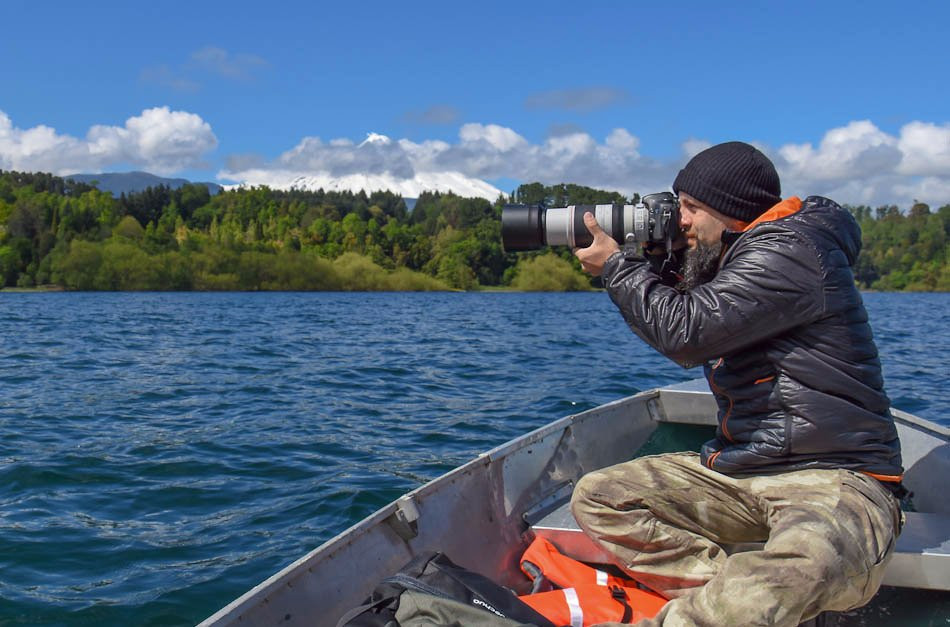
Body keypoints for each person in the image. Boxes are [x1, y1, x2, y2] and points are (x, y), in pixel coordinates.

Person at [570, 141, 904, 626]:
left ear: (733, 211)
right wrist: (657, 262)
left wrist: (619, 268)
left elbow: (686, 333)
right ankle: (731, 602)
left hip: (838, 477)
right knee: (601, 496)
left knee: (806, 566)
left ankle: (711, 614)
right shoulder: (731, 255)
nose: (678, 218)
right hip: (744, 471)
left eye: (692, 208)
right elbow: (688, 311)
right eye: (678, 203)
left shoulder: (791, 250)